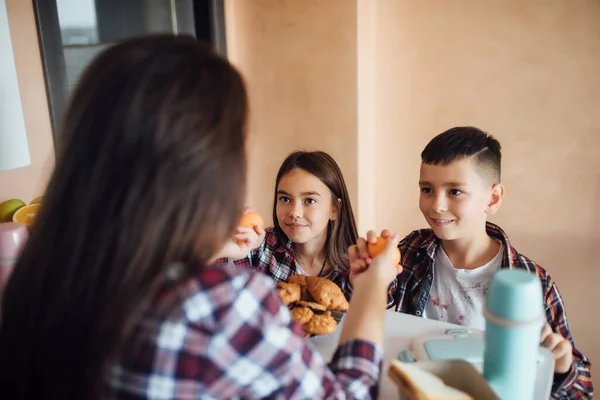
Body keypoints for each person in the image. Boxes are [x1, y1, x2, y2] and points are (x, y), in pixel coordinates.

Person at [0, 35, 403, 399]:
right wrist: (369, 289)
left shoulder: (39, 278)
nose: (294, 212)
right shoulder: (221, 303)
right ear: (209, 167)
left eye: (310, 200)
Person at [348, 127, 593, 398]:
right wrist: (364, 283)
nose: (436, 205)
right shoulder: (410, 253)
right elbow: (353, 319)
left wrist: (561, 368)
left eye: (455, 191)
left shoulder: (532, 282)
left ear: (493, 198)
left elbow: (582, 389)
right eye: (427, 189)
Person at [233, 151, 358, 299]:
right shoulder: (258, 249)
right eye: (285, 199)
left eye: (309, 200)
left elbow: (383, 304)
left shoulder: (355, 262)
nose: (295, 213)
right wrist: (228, 249)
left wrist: (370, 280)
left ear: (334, 209)